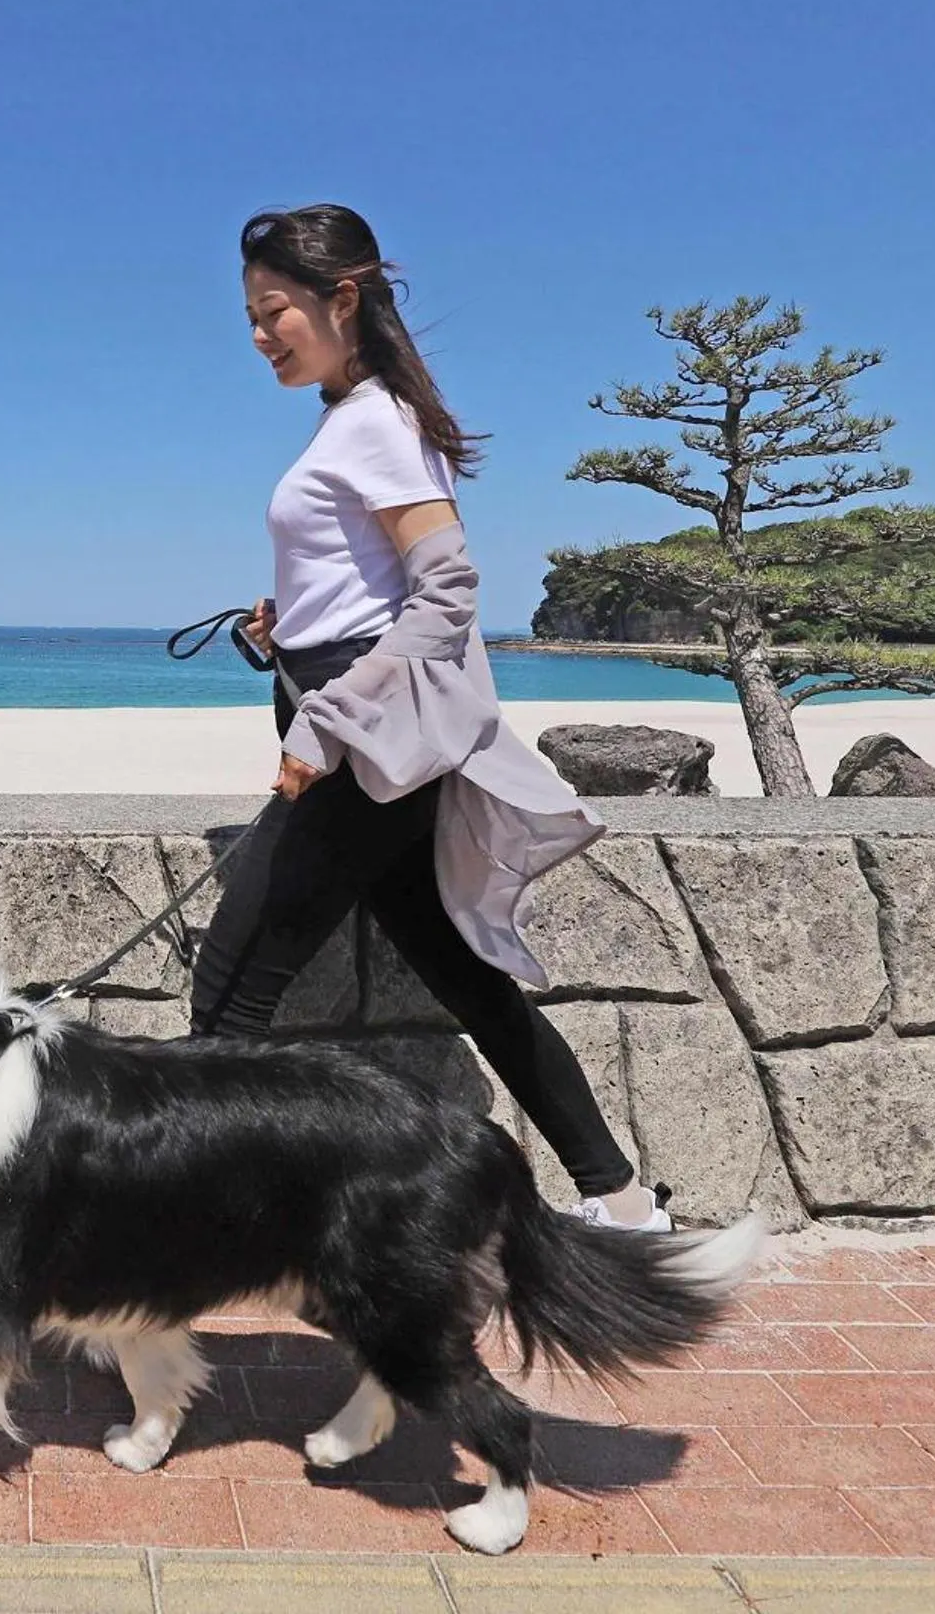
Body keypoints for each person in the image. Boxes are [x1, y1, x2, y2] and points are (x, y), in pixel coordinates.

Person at [189, 203, 668, 1231]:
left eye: (275, 310)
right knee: (463, 972)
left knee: (228, 1001)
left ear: (343, 296)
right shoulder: (354, 417)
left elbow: (447, 594)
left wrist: (324, 725)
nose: (262, 334)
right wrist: (287, 629)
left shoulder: (376, 423)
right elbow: (367, 594)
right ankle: (620, 1200)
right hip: (367, 734)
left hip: (367, 750)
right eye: (250, 318)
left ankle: (187, 1246)